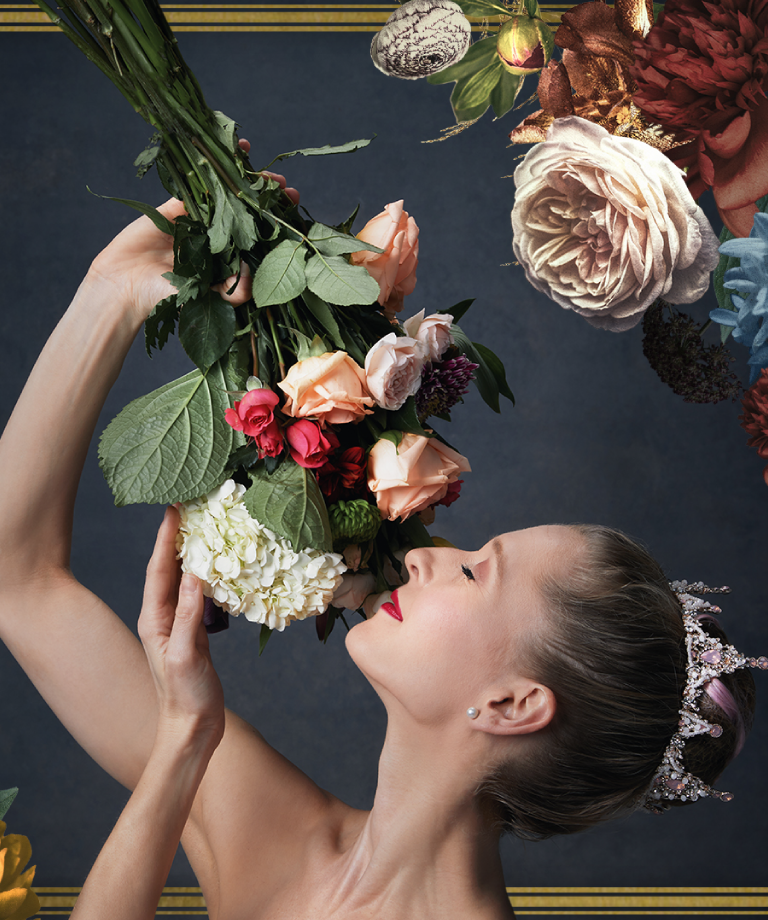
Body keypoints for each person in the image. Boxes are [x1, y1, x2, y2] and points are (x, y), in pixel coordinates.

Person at [0, 194, 757, 920]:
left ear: (512, 705)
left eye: (473, 569)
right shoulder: (270, 829)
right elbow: (17, 580)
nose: (425, 559)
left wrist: (183, 752)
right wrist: (114, 292)